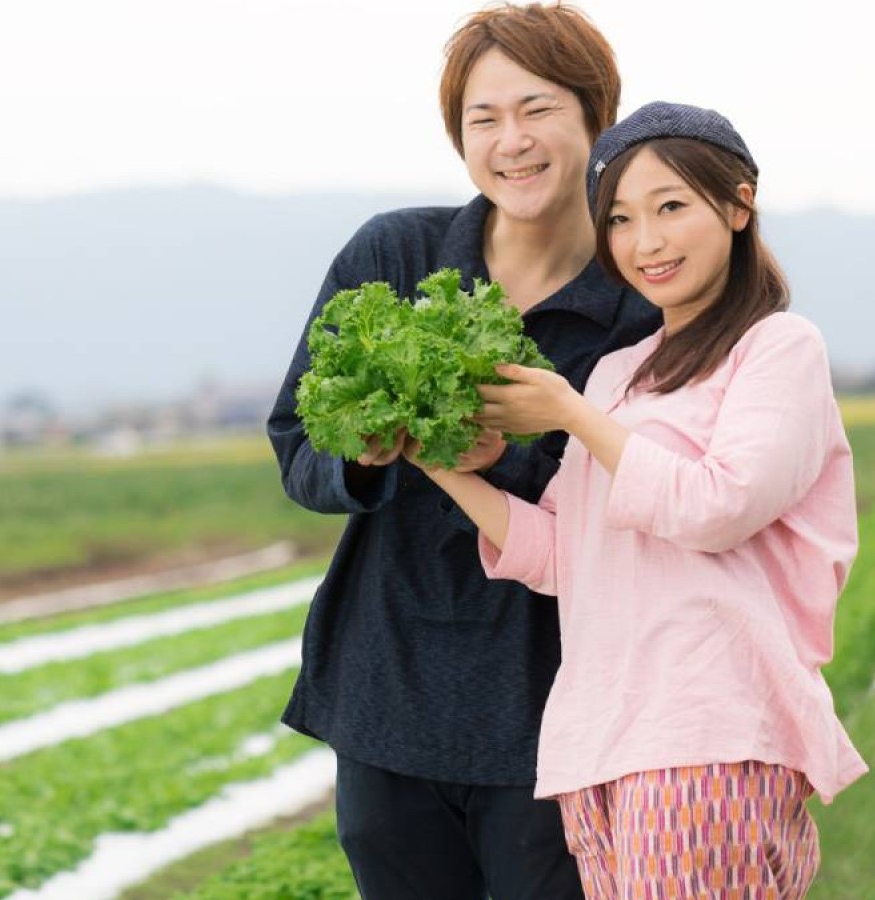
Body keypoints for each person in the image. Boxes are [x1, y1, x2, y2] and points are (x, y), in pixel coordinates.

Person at [411, 102, 869, 898]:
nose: (645, 242)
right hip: (601, 740)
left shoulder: (777, 349)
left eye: (670, 207)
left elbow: (717, 507)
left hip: (706, 730)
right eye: (620, 219)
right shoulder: (620, 373)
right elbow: (563, 553)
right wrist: (435, 463)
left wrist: (571, 416)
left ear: (737, 203)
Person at [266, 4, 660, 897]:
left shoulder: (640, 294)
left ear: (597, 117)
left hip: (554, 700)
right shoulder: (393, 255)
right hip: (391, 688)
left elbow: (641, 500)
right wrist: (364, 456)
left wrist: (507, 456)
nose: (511, 141)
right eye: (483, 119)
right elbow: (296, 444)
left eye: (538, 109)